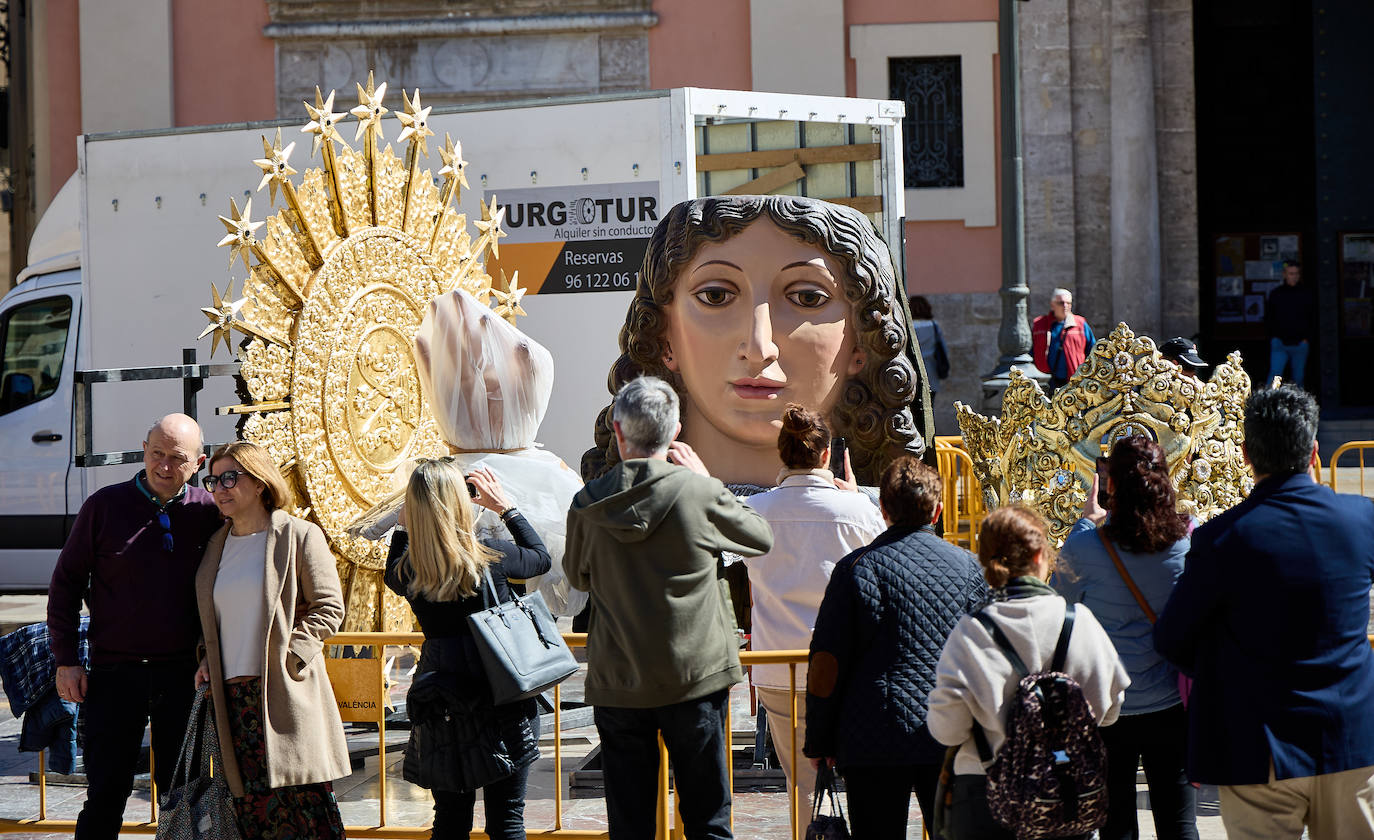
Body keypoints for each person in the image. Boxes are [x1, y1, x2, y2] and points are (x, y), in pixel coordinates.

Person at [583, 194, 934, 490]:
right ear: (664, 335)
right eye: (716, 295)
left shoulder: (871, 523)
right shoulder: (615, 512)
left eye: (807, 299)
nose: (758, 347)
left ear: (862, 339)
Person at [1155, 385, 1374, 839]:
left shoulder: (1221, 538)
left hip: (1259, 743)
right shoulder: (1361, 520)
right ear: (1315, 452)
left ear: (1246, 455)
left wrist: (1228, 666)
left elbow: (1173, 639)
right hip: (1350, 736)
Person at [565, 376, 774, 840]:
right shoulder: (697, 493)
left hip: (621, 677)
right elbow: (760, 537)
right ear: (676, 430)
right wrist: (707, 480)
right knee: (707, 819)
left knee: (631, 821)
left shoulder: (587, 504)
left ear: (618, 432)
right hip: (694, 674)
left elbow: (578, 577)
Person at [47, 413, 222, 840]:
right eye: (156, 453)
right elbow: (66, 584)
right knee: (106, 792)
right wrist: (66, 660)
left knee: (184, 796)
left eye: (177, 458)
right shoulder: (104, 507)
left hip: (184, 677)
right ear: (144, 451)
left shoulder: (210, 512)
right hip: (113, 674)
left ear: (198, 463)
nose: (164, 465)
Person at [804, 455, 989, 838]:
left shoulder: (857, 567)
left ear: (883, 509)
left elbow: (827, 661)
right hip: (949, 730)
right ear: (937, 511)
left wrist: (819, 738)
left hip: (873, 733)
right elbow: (985, 654)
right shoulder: (970, 568)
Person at [928, 505, 1129, 840]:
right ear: (1040, 556)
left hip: (985, 794)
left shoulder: (972, 633)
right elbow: (1110, 710)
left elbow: (947, 730)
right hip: (1065, 793)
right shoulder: (1079, 622)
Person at [736, 404, 885, 832]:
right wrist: (855, 500)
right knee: (859, 772)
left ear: (782, 455)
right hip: (845, 666)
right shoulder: (857, 511)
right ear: (826, 456)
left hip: (777, 665)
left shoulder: (754, 510)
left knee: (799, 782)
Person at [385, 458, 550, 840]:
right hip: (501, 694)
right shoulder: (491, 555)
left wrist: (405, 523)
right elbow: (540, 557)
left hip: (442, 700)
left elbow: (395, 561)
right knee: (508, 819)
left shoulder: (408, 571)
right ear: (462, 502)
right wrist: (505, 506)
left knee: (449, 819)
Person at [193, 441, 348, 838]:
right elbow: (213, 620)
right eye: (213, 480)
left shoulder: (298, 535)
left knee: (305, 808)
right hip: (234, 702)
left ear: (260, 483)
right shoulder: (216, 546)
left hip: (284, 692)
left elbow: (329, 607)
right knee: (253, 814)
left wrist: (292, 655)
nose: (220, 488)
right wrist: (205, 658)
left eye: (231, 477)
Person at [1057, 436, 1198, 840]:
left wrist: (1086, 522)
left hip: (1108, 704)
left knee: (1116, 823)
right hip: (1170, 700)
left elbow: (1059, 603)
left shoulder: (1085, 545)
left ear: (1112, 485)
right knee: (1179, 823)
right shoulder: (1184, 542)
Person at [1032, 288, 1098, 391]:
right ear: (1052, 305)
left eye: (1068, 303)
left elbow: (1093, 351)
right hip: (1046, 382)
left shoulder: (1080, 324)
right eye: (1061, 303)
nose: (1065, 306)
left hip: (1075, 381)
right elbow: (1031, 351)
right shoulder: (1039, 324)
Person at [1265, 260, 1314, 387]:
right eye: (1291, 273)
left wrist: (1306, 338)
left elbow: (1312, 317)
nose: (1294, 276)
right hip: (1280, 343)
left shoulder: (1306, 293)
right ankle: (1268, 405)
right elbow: (1269, 317)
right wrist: (1274, 337)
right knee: (1275, 376)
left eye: (1296, 273)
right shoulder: (1276, 294)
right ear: (1284, 274)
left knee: (1299, 378)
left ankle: (1300, 406)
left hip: (1300, 343)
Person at [909, 294, 951, 394]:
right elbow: (943, 349)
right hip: (930, 372)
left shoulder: (908, 327)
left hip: (910, 372)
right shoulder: (933, 326)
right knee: (930, 406)